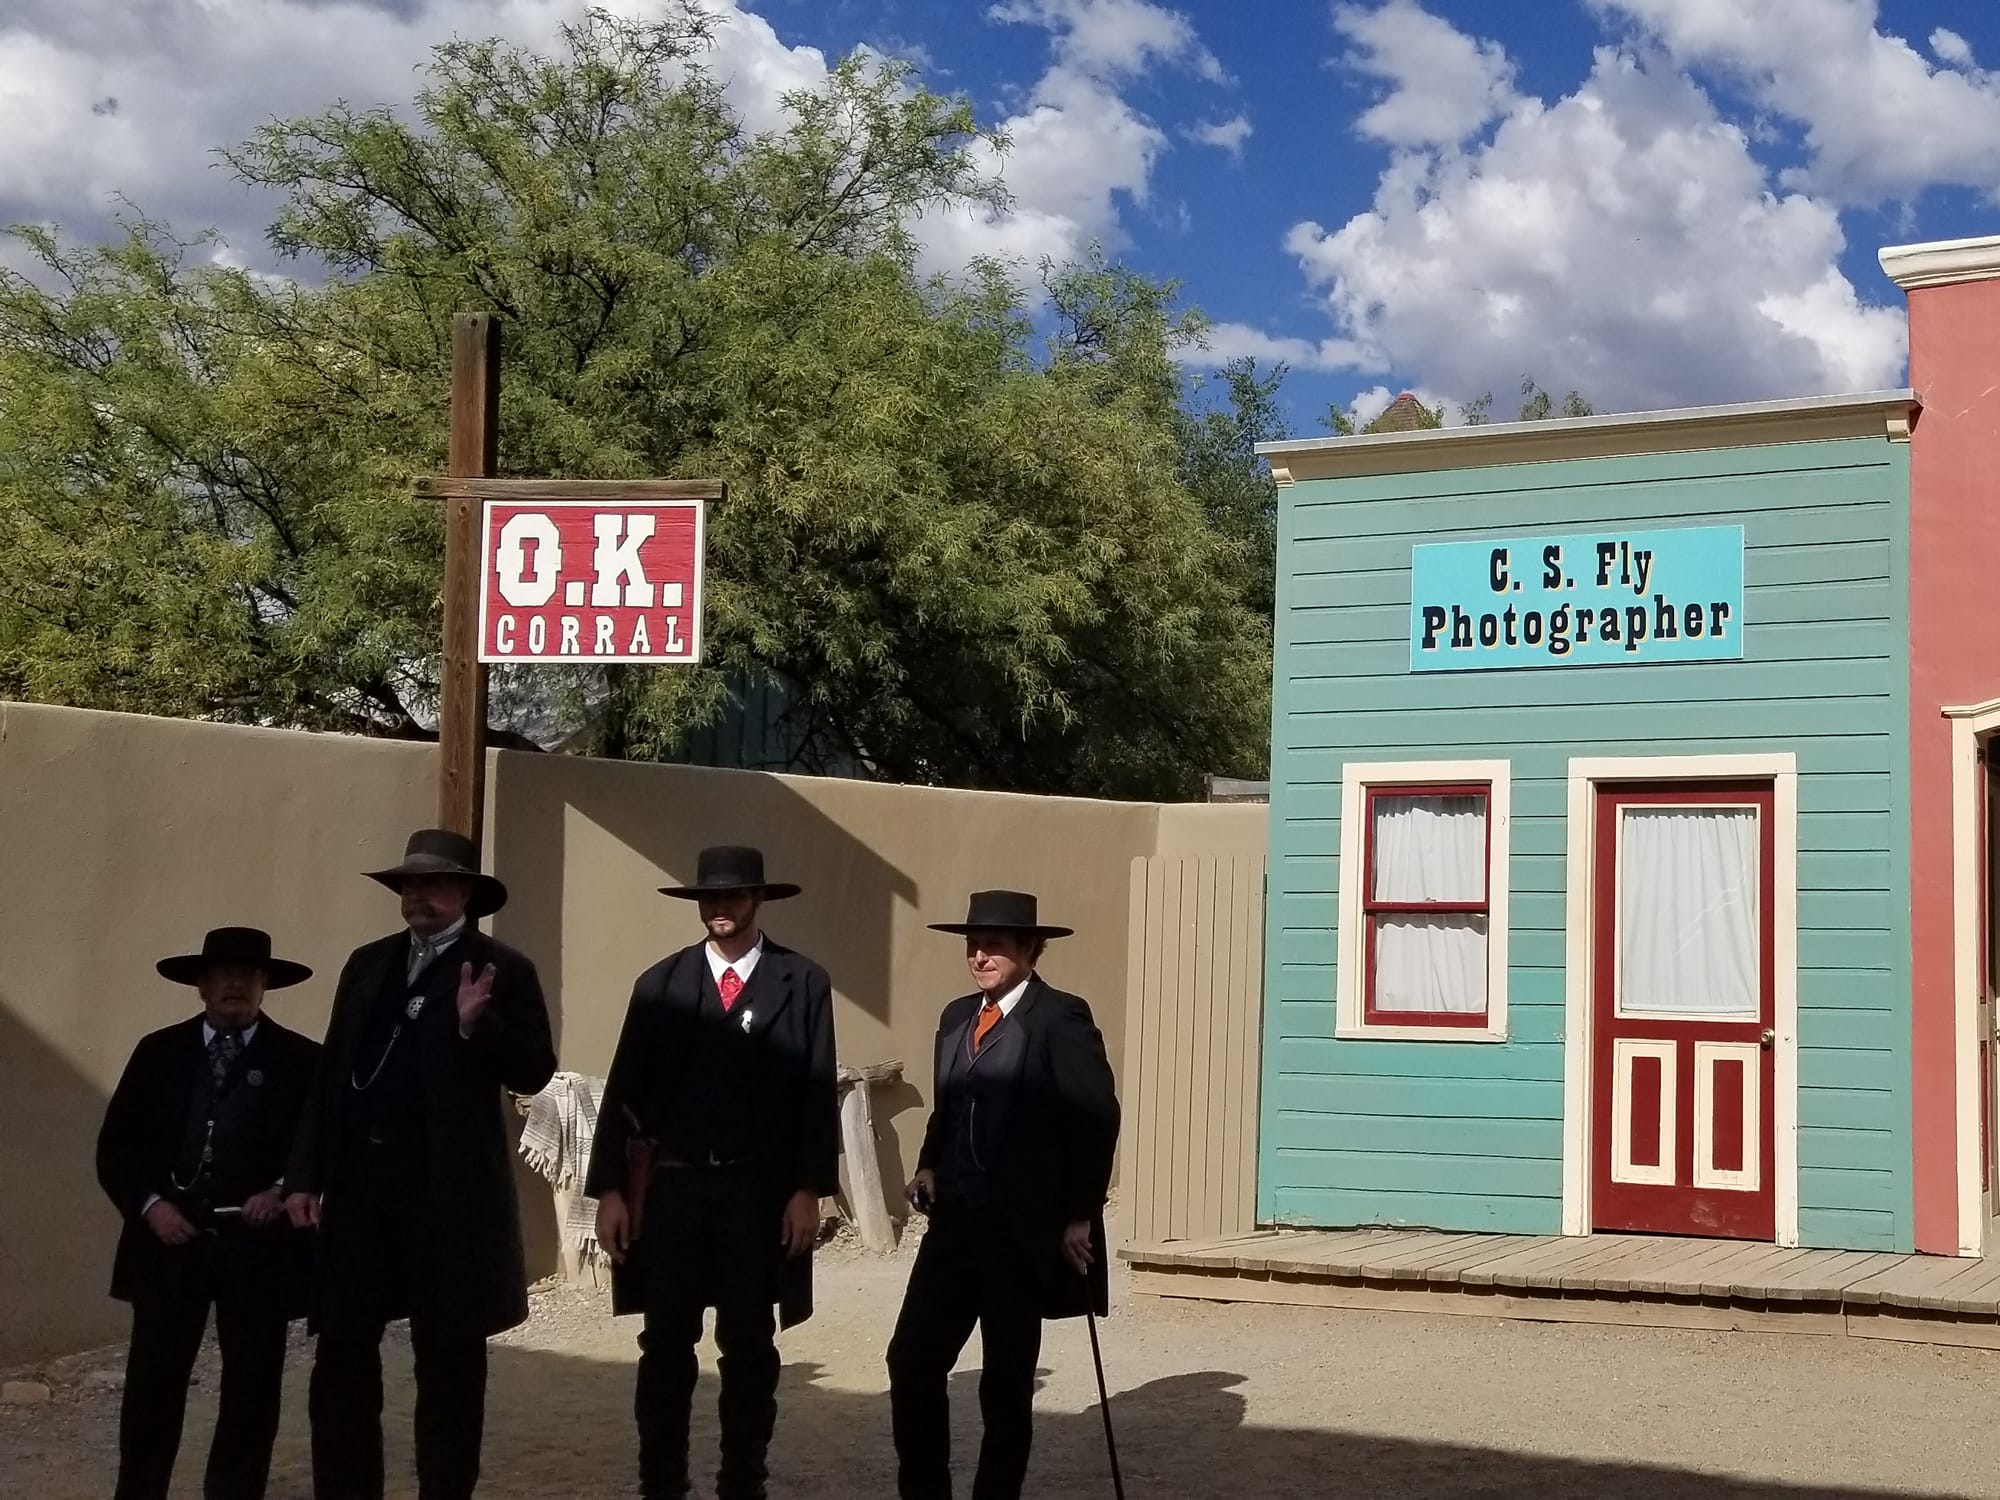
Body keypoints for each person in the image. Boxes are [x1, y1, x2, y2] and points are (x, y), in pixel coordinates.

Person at [283, 828, 556, 1500]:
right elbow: (331, 1075)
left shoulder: (502, 968)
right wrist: (305, 1173)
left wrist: (475, 1025)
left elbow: (534, 1069)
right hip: (363, 1193)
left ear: (464, 892)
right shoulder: (368, 963)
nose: (417, 897)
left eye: (432, 885)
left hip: (447, 1200)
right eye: (408, 885)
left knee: (450, 1365)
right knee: (342, 1358)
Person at [590, 845, 839, 1500]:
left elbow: (816, 1094)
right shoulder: (661, 985)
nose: (720, 908)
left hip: (755, 1194)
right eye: (710, 898)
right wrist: (611, 1188)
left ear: (758, 901)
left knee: (749, 1346)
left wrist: (808, 1189)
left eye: (732, 897)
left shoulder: (802, 982)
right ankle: (661, 1484)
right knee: (666, 1346)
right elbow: (624, 1092)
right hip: (672, 1191)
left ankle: (742, 1481)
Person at [887, 890, 1121, 1500]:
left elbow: (1094, 1120)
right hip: (955, 1228)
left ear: (1027, 949)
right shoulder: (956, 1017)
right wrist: (929, 1165)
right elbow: (948, 1105)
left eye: (994, 944)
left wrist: (1079, 1215)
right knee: (910, 1361)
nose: (980, 955)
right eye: (973, 944)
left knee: (1006, 1383)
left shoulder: (1060, 1017)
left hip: (1020, 1232)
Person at [96, 926, 322, 1500]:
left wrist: (279, 1190)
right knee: (153, 1386)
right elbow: (116, 1149)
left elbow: (317, 1147)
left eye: (248, 976)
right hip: (170, 1245)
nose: (235, 985)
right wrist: (151, 1209)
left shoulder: (299, 1060)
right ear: (200, 985)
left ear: (265, 985)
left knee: (251, 1388)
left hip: (256, 1249)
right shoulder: (158, 1053)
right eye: (223, 974)